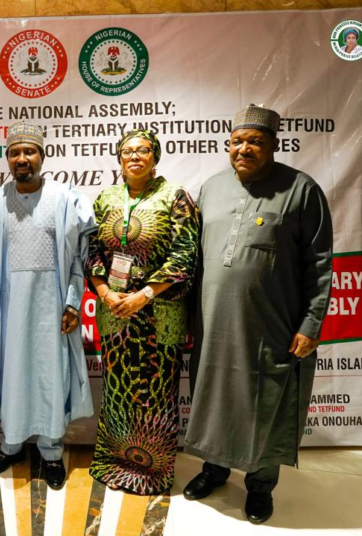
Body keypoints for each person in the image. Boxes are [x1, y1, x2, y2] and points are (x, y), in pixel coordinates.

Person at [184, 104, 333, 524]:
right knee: (211, 396)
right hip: (213, 324)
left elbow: (319, 263)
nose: (243, 149)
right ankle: (213, 469)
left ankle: (260, 486)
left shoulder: (301, 190)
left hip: (272, 324)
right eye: (237, 141)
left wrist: (311, 323)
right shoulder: (212, 188)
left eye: (255, 142)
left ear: (273, 146)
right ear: (227, 144)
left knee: (266, 400)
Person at [0, 122, 97, 490]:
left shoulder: (64, 198)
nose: (22, 159)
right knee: (11, 373)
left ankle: (51, 452)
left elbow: (79, 258)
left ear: (43, 156)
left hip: (52, 307)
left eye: (29, 152)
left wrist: (74, 303)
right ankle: (10, 445)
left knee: (49, 374)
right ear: (7, 159)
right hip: (8, 309)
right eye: (15, 153)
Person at [85, 129, 200, 495]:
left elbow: (185, 255)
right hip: (115, 311)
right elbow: (91, 252)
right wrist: (104, 292)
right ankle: (112, 462)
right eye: (127, 151)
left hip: (160, 312)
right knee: (117, 388)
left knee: (156, 390)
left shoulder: (174, 197)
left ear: (155, 156)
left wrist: (145, 295)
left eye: (143, 150)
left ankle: (153, 471)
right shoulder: (106, 198)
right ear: (119, 158)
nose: (135, 156)